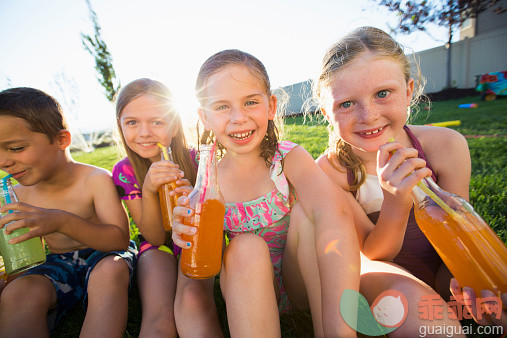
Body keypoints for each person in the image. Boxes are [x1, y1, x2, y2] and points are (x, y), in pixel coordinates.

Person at [172, 49, 360, 337]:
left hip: (298, 279)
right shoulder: (208, 180)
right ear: (205, 117)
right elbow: (204, 260)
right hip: (246, 286)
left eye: (250, 102)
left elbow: (335, 215)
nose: (238, 117)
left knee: (309, 213)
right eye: (222, 107)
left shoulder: (287, 158)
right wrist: (186, 230)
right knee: (245, 246)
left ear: (271, 107)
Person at [314, 26, 468, 335]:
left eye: (383, 94)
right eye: (346, 104)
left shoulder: (445, 146)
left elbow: (460, 234)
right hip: (379, 279)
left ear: (409, 90)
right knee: (413, 302)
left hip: (442, 267)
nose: (368, 115)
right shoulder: (330, 172)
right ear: (326, 112)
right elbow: (373, 255)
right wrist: (396, 202)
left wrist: (462, 281)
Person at [0, 87, 137, 336]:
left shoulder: (95, 179)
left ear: (61, 140)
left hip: (104, 256)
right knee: (18, 292)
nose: (4, 162)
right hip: (57, 262)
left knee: (110, 271)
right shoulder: (17, 194)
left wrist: (61, 221)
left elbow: (119, 239)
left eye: (16, 148)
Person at [112, 78, 222, 337]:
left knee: (195, 300)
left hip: (196, 241)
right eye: (132, 122)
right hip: (157, 248)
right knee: (159, 316)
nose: (144, 132)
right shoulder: (125, 172)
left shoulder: (198, 160)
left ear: (173, 126)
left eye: (156, 121)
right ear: (121, 126)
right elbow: (154, 236)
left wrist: (193, 203)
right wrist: (149, 189)